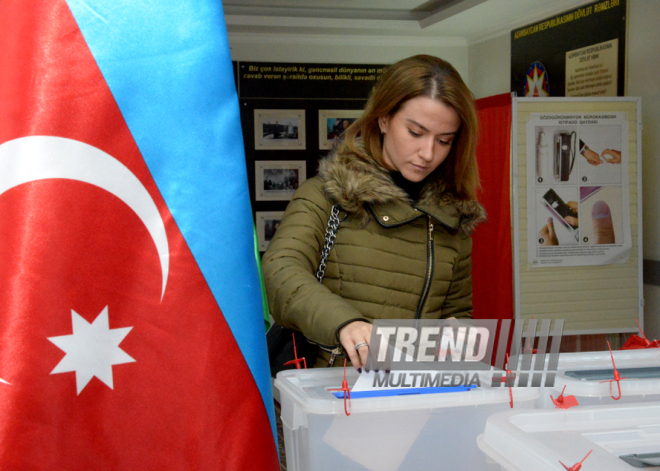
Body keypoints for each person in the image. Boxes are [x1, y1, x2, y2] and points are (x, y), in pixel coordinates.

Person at [262, 55, 485, 370]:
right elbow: (281, 270)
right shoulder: (326, 195)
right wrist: (345, 323)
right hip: (336, 396)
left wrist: (457, 333)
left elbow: (458, 312)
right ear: (383, 119)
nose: (428, 153)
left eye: (444, 140)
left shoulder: (452, 218)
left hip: (418, 396)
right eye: (415, 133)